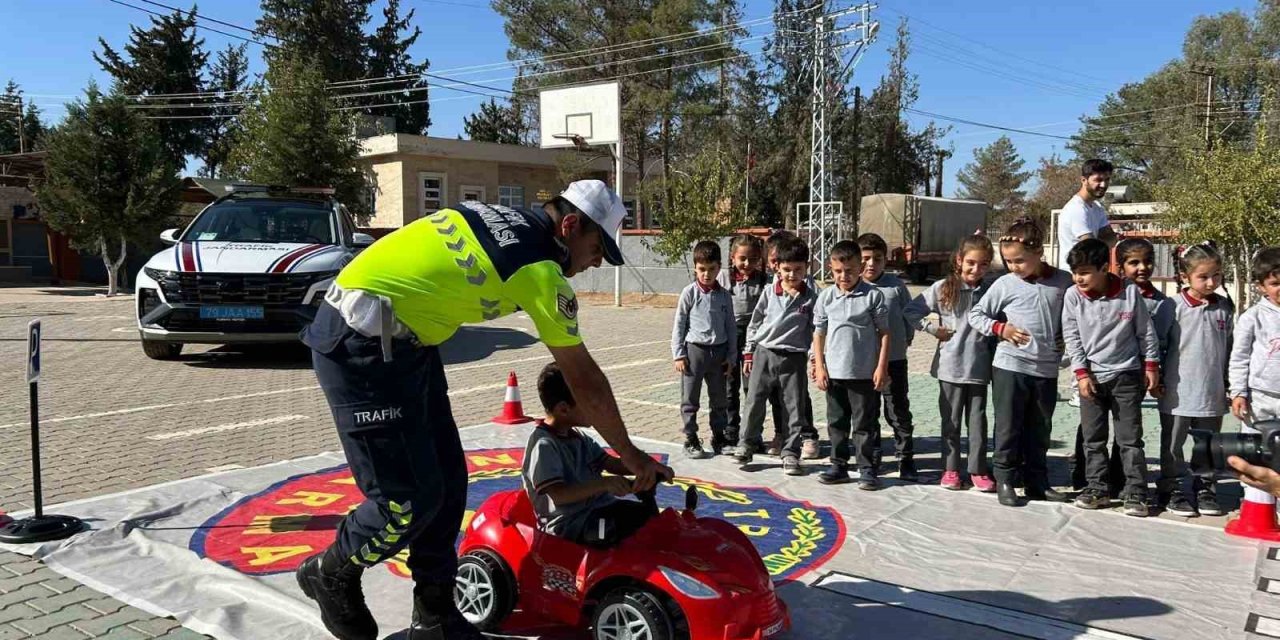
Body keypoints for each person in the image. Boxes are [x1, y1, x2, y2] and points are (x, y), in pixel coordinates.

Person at [295, 180, 673, 640]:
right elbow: (585, 381)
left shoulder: (503, 218)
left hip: (405, 342)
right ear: (570, 225)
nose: (597, 262)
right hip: (360, 340)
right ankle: (330, 570)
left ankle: (435, 617)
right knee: (406, 500)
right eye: (597, 248)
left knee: (449, 482)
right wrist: (631, 455)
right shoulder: (539, 269)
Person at [968, 217, 1073, 507]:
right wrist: (1002, 329)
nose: (1014, 267)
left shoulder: (1063, 281)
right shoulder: (1005, 284)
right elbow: (976, 315)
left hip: (1046, 369)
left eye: (1019, 261)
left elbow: (1074, 314)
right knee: (1008, 426)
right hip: (1010, 367)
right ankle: (1006, 479)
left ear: (1039, 252)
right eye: (1008, 261)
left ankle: (1037, 482)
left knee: (1040, 428)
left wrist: (1066, 337)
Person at [1061, 238, 1161, 517]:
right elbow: (1073, 338)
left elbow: (1145, 332)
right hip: (1091, 378)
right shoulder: (1072, 297)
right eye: (1074, 272)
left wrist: (1151, 366)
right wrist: (1082, 374)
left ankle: (1136, 491)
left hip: (1127, 376)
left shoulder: (1129, 292)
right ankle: (1096, 487)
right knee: (1093, 438)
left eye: (1084, 271)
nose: (1078, 278)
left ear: (1105, 268)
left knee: (1129, 438)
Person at [904, 234, 998, 492]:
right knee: (951, 422)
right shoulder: (942, 287)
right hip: (950, 367)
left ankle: (978, 470)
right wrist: (933, 330)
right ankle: (951, 469)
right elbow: (911, 311)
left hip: (979, 368)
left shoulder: (991, 290)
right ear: (959, 260)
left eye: (983, 264)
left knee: (978, 422)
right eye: (970, 262)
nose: (976, 269)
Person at [522, 363, 654, 546]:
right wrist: (605, 484)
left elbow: (610, 463)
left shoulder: (579, 438)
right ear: (563, 409)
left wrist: (645, 465)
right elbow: (559, 495)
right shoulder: (544, 445)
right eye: (588, 405)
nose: (595, 409)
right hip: (570, 524)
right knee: (619, 532)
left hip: (599, 510)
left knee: (648, 519)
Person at [1156, 243, 1232, 517]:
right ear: (1186, 276)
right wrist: (1157, 378)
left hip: (1212, 394)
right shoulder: (1172, 307)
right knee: (1173, 446)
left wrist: (1230, 386)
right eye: (1203, 276)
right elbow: (1158, 345)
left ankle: (1205, 488)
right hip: (1177, 393)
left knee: (1209, 445)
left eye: (1216, 275)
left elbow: (1230, 350)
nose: (1211, 282)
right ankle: (1171, 487)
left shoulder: (1224, 308)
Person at [735, 237, 818, 475]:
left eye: (798, 270)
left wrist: (814, 360)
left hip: (794, 358)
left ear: (807, 267)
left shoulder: (811, 298)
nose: (792, 275)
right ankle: (746, 443)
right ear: (777, 268)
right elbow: (755, 322)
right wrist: (749, 351)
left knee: (794, 408)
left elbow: (815, 331)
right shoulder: (770, 292)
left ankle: (791, 452)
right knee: (754, 402)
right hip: (764, 353)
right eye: (787, 270)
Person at [812, 240, 890, 489]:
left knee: (864, 424)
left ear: (860, 267)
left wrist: (881, 367)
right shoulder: (826, 297)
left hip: (864, 373)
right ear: (830, 269)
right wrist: (820, 366)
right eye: (838, 271)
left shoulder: (873, 296)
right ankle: (838, 465)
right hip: (834, 373)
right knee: (837, 422)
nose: (844, 276)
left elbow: (885, 333)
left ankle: (867, 469)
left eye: (849, 270)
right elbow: (818, 334)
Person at [857, 233, 918, 481]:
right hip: (863, 365)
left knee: (897, 409)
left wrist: (907, 337)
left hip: (893, 361)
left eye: (877, 259)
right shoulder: (852, 287)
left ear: (885, 261)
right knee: (867, 412)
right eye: (865, 258)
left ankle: (905, 457)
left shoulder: (896, 286)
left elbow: (910, 315)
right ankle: (872, 456)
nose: (871, 264)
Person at [671, 240, 737, 458]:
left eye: (711, 269)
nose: (707, 274)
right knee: (690, 398)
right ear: (695, 267)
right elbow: (679, 324)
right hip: (694, 353)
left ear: (719, 267)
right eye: (702, 269)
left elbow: (730, 327)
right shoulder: (689, 293)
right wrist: (679, 354)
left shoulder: (725, 295)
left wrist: (731, 356)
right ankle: (690, 438)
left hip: (718, 354)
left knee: (719, 399)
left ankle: (718, 437)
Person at [1228, 247, 1280, 509]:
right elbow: (1239, 358)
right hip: (1258, 399)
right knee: (1254, 452)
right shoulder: (1252, 317)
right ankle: (1254, 507)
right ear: (1261, 286)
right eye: (1275, 283)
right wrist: (1238, 393)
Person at [763, 231, 821, 458]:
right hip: (773, 350)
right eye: (772, 261)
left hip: (797, 352)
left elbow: (818, 324)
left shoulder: (810, 288)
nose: (775, 265)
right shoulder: (771, 285)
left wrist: (815, 357)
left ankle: (808, 436)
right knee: (776, 396)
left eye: (778, 259)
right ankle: (782, 434)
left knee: (799, 398)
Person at [719, 234, 768, 449]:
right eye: (742, 259)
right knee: (730, 387)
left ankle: (752, 433)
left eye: (753, 259)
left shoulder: (764, 281)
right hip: (730, 337)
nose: (747, 264)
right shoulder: (723, 278)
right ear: (732, 258)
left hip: (754, 338)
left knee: (753, 388)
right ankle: (731, 429)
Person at [1056, 158, 1117, 269]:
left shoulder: (1097, 207)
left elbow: (1112, 237)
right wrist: (1099, 244)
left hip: (1092, 275)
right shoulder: (1076, 209)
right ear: (1084, 180)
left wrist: (1097, 244)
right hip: (1075, 276)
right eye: (1098, 180)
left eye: (1107, 179)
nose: (1103, 185)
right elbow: (1091, 247)